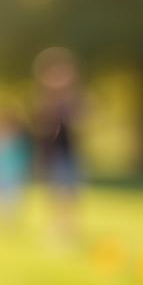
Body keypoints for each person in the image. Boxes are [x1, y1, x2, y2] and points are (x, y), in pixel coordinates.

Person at [32, 47, 82, 240]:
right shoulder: (46, 103)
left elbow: (81, 121)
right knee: (54, 190)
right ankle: (57, 225)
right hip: (52, 153)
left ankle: (69, 226)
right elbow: (42, 128)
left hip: (69, 152)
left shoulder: (72, 102)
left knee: (70, 190)